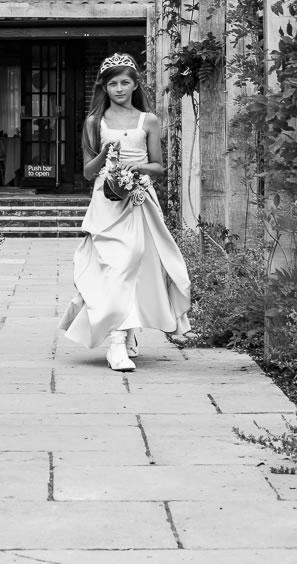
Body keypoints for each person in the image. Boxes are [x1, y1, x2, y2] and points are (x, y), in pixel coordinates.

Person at [58, 52, 191, 371]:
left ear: (135, 85)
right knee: (115, 266)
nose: (119, 89)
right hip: (106, 202)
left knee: (134, 265)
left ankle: (125, 333)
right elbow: (88, 172)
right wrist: (105, 153)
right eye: (113, 84)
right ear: (104, 87)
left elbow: (159, 167)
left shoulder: (149, 120)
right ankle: (117, 342)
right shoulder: (94, 122)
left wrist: (136, 167)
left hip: (138, 201)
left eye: (125, 83)